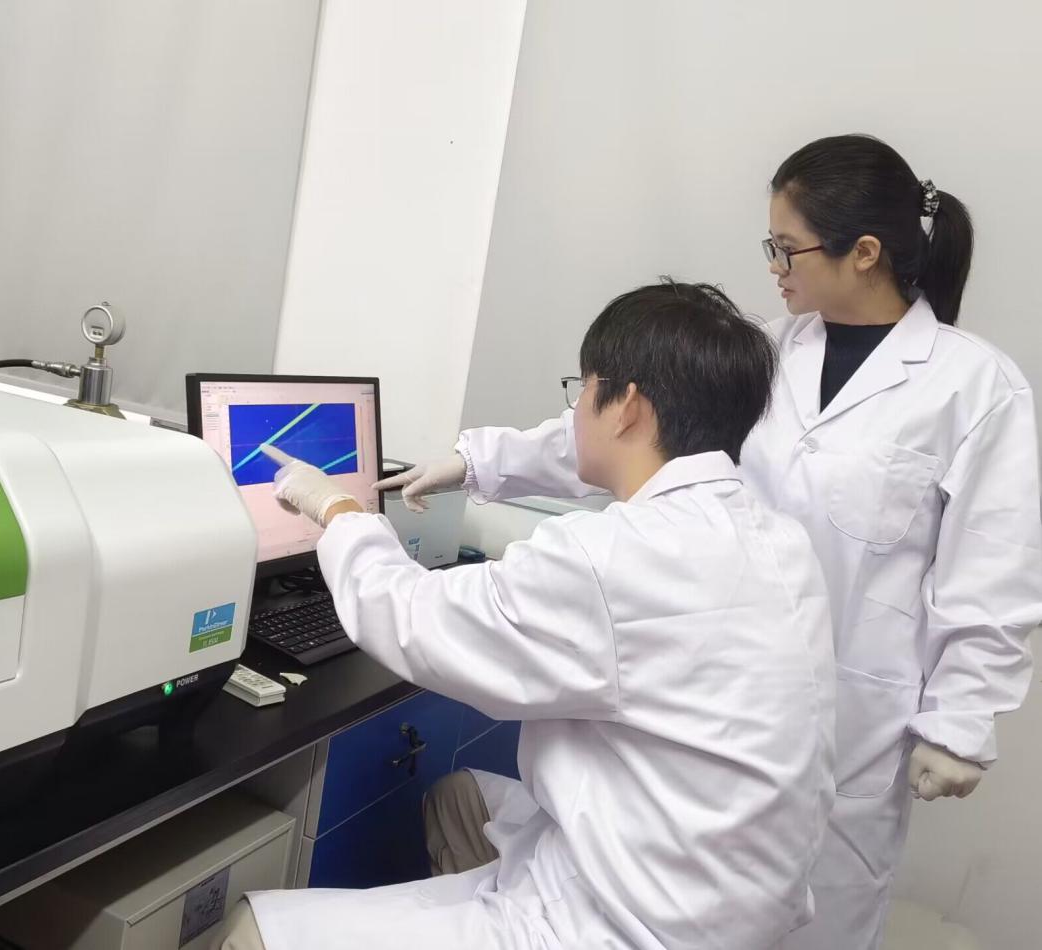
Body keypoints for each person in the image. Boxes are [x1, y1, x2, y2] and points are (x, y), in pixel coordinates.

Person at [397, 135, 1042, 950]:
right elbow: (624, 427)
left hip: (854, 721)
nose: (772, 266)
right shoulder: (762, 351)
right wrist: (480, 461)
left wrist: (961, 718)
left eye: (786, 247)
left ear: (863, 253)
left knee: (819, 919)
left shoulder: (973, 386)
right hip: (713, 691)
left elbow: (991, 567)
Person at [210, 280, 836, 950]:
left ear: (627, 406)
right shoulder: (776, 539)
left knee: (253, 933)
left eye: (581, 390)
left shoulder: (616, 556)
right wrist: (468, 464)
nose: (574, 414)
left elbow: (413, 619)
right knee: (459, 798)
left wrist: (335, 509)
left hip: (624, 925)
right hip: (712, 888)